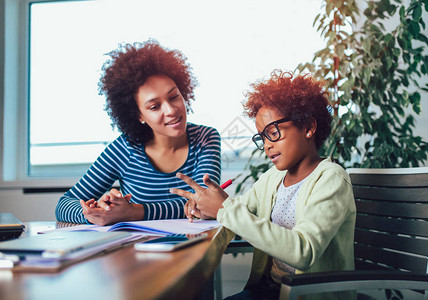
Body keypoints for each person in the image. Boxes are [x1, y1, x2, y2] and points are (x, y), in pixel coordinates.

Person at [171, 71, 356, 300]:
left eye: (273, 132)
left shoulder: (331, 179)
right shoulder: (272, 178)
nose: (267, 146)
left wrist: (225, 209)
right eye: (262, 137)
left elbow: (304, 251)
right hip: (269, 291)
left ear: (308, 126)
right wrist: (207, 210)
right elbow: (238, 211)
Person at [55, 39, 221, 225]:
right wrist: (97, 213)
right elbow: (64, 205)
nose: (171, 110)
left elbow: (203, 203)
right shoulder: (125, 148)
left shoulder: (206, 138)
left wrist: (132, 212)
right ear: (138, 115)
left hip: (193, 249)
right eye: (154, 106)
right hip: (137, 251)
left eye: (174, 97)